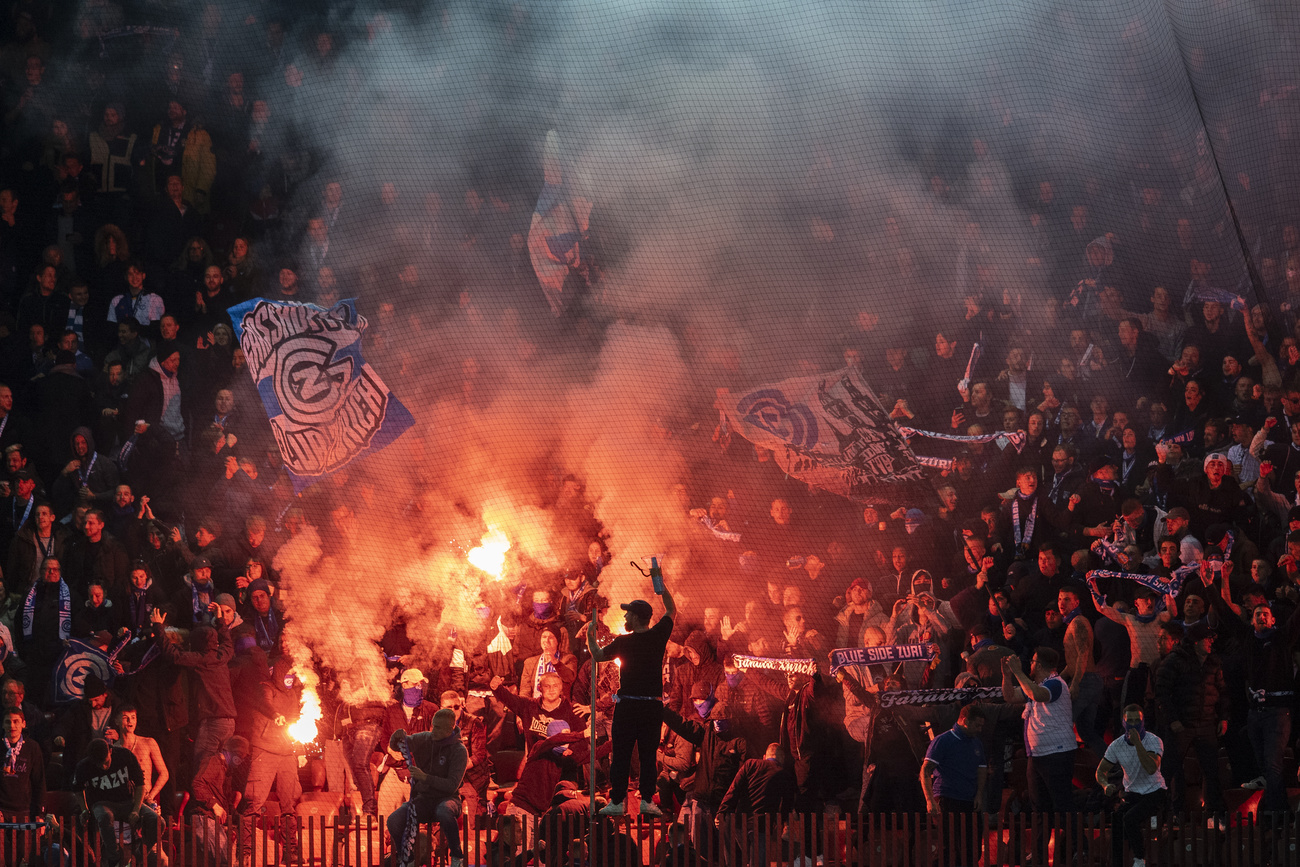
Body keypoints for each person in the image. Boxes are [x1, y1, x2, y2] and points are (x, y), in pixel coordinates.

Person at [589, 580, 677, 817]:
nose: (625, 617)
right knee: (648, 755)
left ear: (637, 618)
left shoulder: (623, 641)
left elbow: (597, 656)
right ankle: (646, 800)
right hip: (651, 706)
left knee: (622, 754)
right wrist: (660, 583)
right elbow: (671, 610)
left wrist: (589, 633)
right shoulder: (658, 636)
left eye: (628, 614)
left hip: (628, 706)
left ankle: (618, 802)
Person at [1003, 648, 1075, 864]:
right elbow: (1009, 696)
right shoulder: (1036, 685)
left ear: (1041, 664)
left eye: (1032, 661)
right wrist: (1007, 675)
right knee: (1039, 808)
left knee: (1062, 806)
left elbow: (1036, 695)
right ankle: (1040, 856)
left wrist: (1017, 672)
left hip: (1057, 753)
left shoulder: (1055, 683)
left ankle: (1077, 850)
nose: (1030, 665)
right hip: (1037, 756)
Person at [387, 709, 468, 867]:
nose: (433, 731)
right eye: (433, 726)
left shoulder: (459, 751)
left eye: (438, 728)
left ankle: (457, 856)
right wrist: (395, 738)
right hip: (424, 800)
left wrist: (425, 777)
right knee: (394, 820)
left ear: (450, 728)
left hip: (449, 799)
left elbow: (451, 785)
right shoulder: (425, 738)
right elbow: (398, 746)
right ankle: (409, 858)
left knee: (443, 811)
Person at [1096, 705, 1167, 867]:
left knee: (1130, 818)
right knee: (1117, 819)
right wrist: (1105, 785)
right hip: (1132, 793)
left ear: (1143, 722)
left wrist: (1138, 744)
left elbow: (1150, 768)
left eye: (1137, 720)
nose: (1134, 724)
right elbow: (1100, 771)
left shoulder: (1154, 740)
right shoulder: (1116, 745)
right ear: (1123, 722)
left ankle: (1140, 859)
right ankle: (1117, 862)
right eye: (1130, 721)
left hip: (1154, 791)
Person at [73, 738, 159, 867]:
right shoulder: (84, 765)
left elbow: (140, 784)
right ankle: (115, 857)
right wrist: (84, 809)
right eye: (99, 764)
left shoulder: (125, 755)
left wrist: (136, 809)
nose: (103, 767)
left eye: (105, 762)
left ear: (111, 751)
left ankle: (136, 858)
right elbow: (78, 790)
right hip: (101, 803)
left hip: (127, 801)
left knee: (158, 821)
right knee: (104, 816)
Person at [921, 704, 987, 867]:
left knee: (973, 848)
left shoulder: (976, 743)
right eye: (977, 725)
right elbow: (925, 769)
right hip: (947, 798)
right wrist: (929, 800)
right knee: (949, 848)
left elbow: (982, 769)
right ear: (965, 721)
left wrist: (979, 794)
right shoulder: (943, 740)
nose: (979, 729)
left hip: (969, 799)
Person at [714, 743, 796, 867]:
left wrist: (721, 812)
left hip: (740, 822)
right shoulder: (784, 775)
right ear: (782, 759)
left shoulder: (750, 764)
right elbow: (786, 804)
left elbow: (733, 789)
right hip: (762, 825)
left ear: (764, 756)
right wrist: (783, 822)